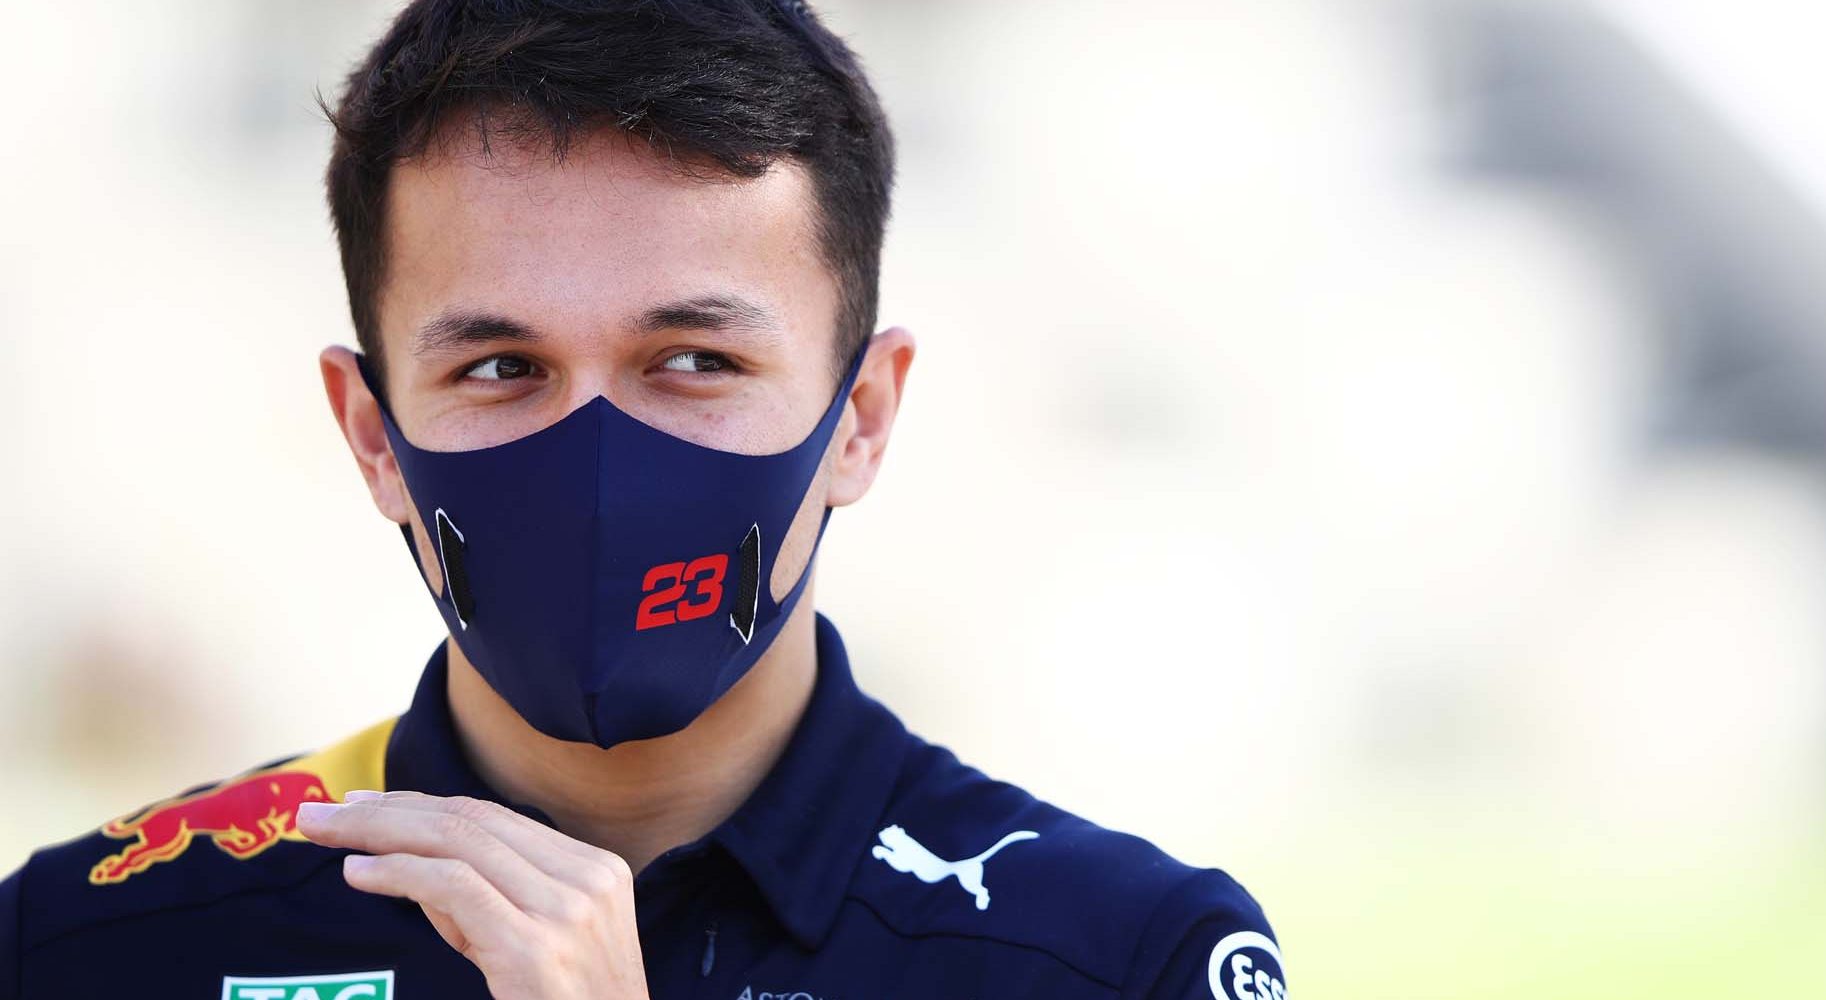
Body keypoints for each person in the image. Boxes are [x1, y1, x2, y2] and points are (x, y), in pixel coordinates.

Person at [0, 2, 1285, 998]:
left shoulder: (1121, 959)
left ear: (864, 417)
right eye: (501, 367)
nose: (600, 455)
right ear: (371, 433)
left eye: (695, 362)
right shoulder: (94, 943)